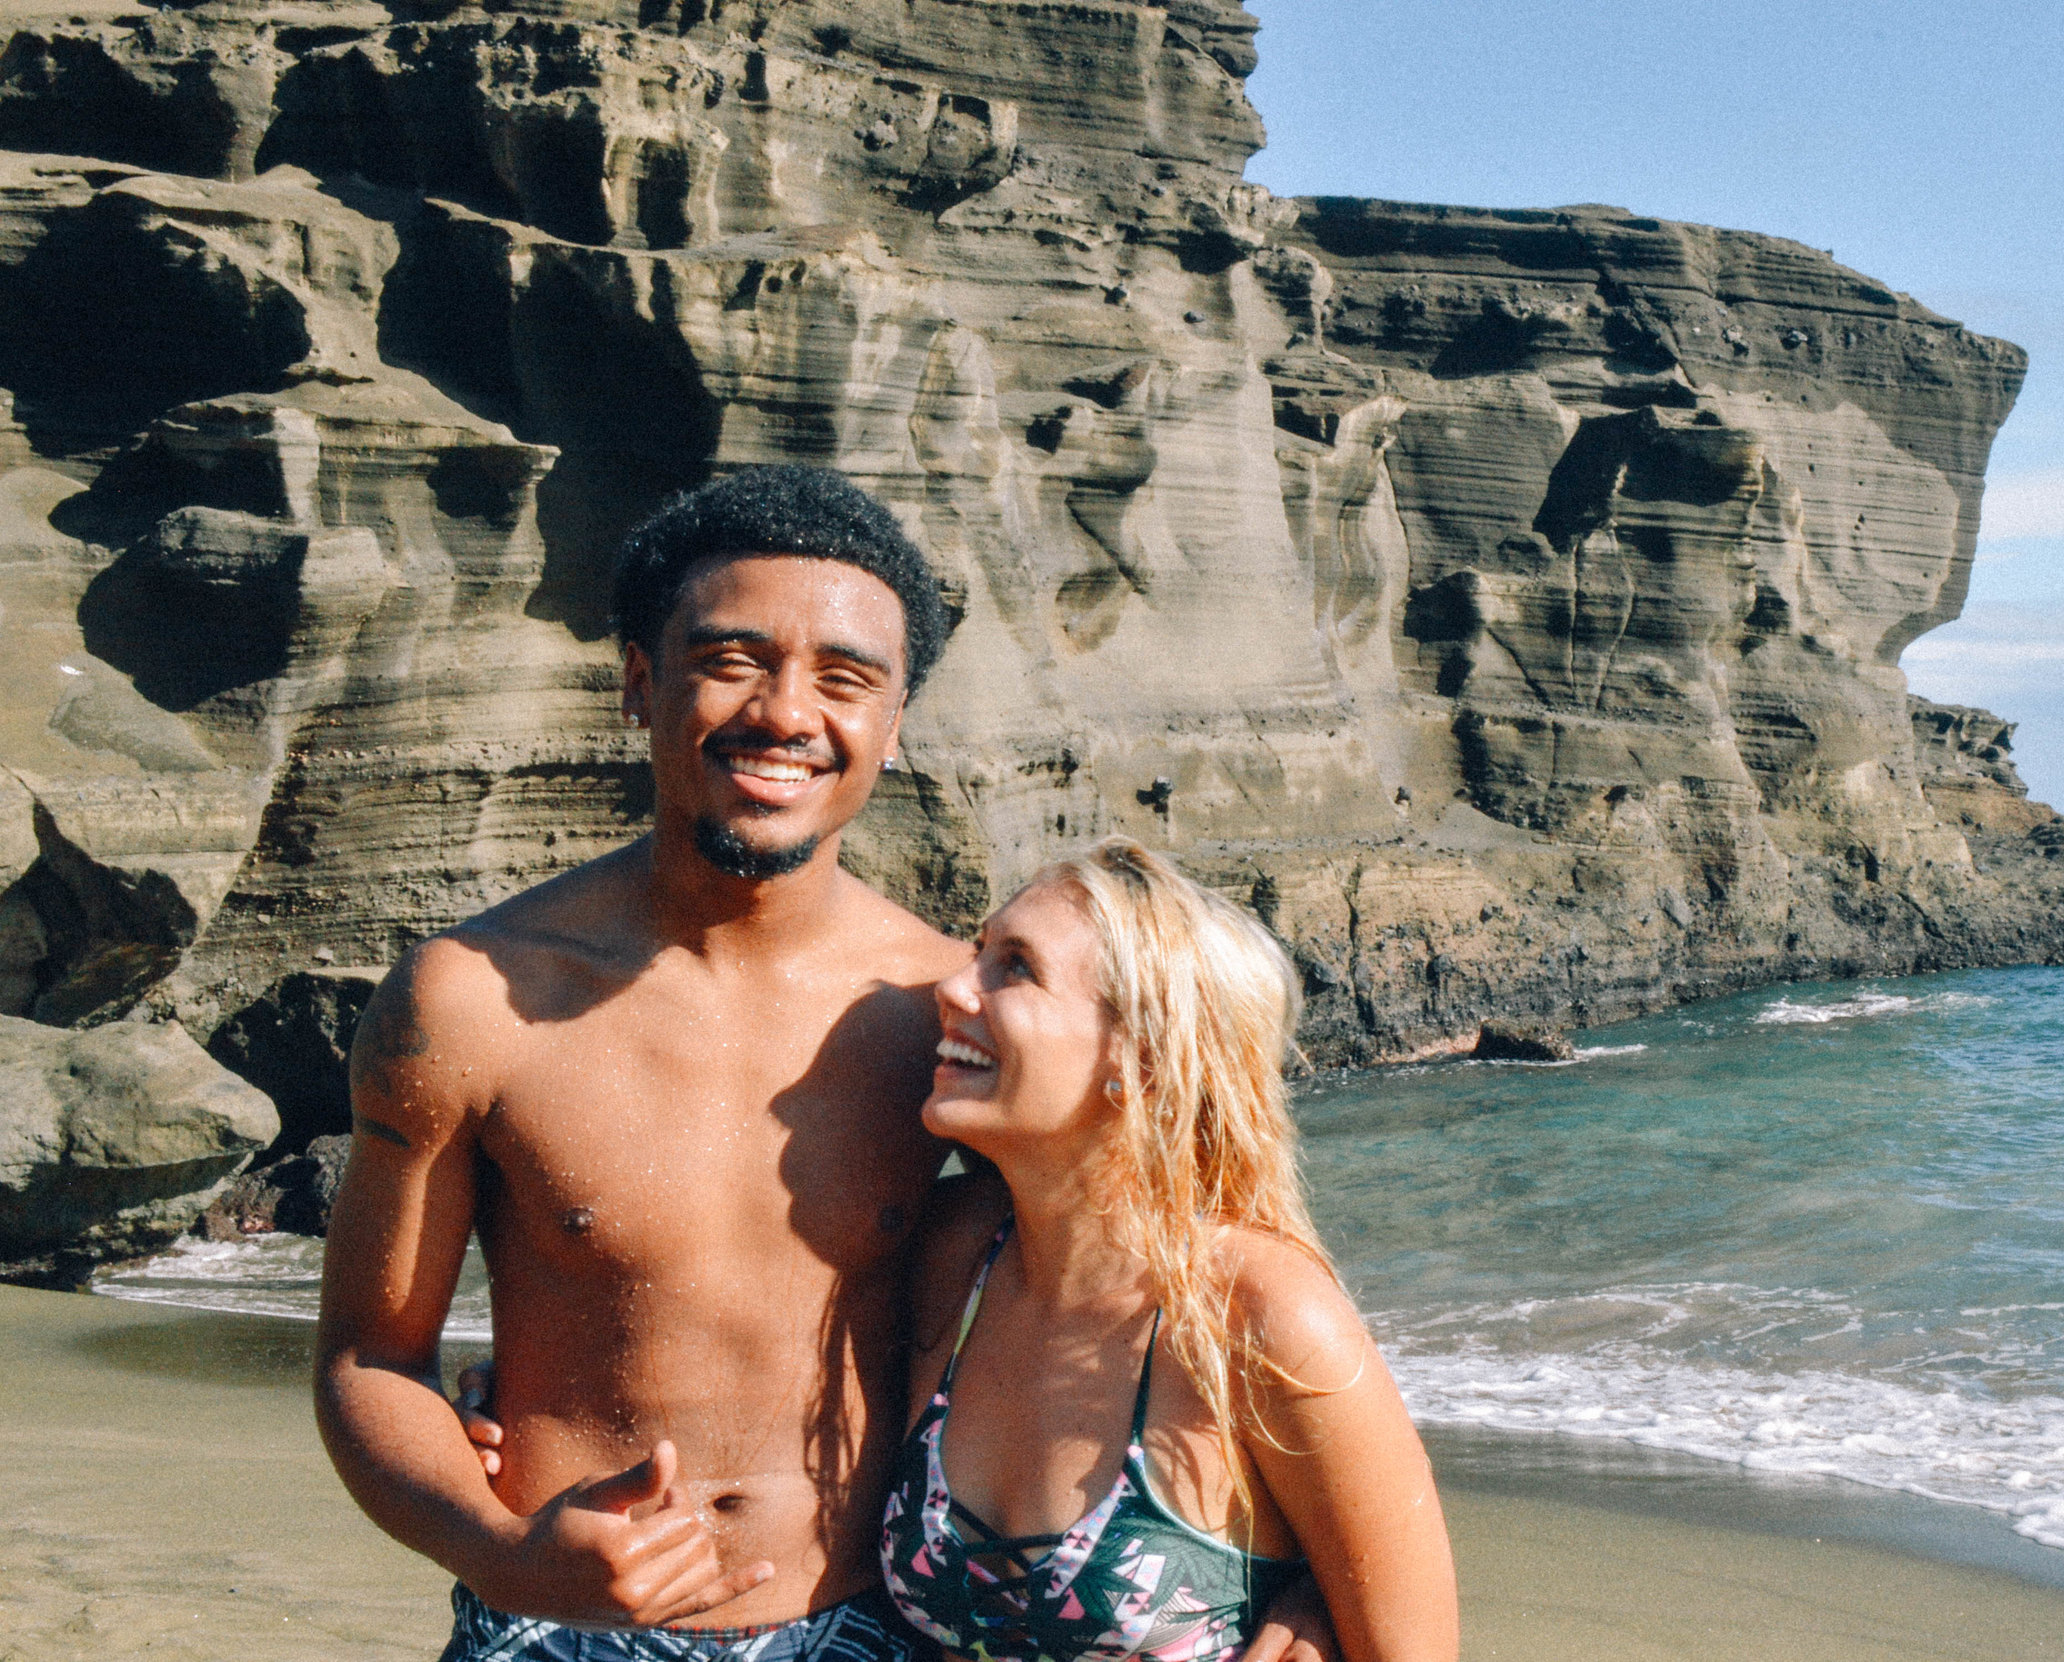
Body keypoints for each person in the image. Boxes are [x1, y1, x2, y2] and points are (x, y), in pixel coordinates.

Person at [319, 468, 1332, 1662]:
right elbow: (369, 1361)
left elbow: (1179, 1289)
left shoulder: (946, 1020)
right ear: (641, 683)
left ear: (893, 729)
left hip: (878, 1628)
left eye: (846, 680)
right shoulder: (471, 1001)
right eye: (732, 659)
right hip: (552, 1629)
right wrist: (500, 1550)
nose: (786, 713)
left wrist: (1307, 1596)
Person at [881, 838, 1459, 1662]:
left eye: (1015, 968)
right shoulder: (953, 1254)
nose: (949, 986)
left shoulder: (1261, 1318)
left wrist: (1320, 1611)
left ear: (1141, 1058)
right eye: (979, 951)